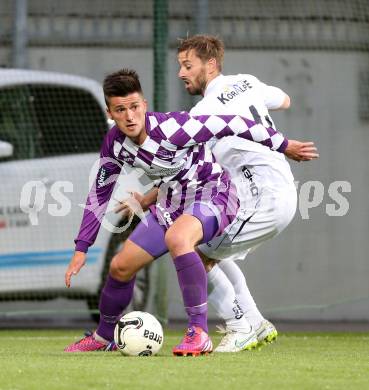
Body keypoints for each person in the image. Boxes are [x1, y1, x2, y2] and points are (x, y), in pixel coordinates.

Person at [63, 68, 315, 355]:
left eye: (134, 107)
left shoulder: (175, 128)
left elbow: (234, 123)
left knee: (180, 240)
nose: (130, 116)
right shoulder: (115, 143)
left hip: (215, 194)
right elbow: (99, 193)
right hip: (171, 203)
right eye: (121, 110)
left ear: (144, 105)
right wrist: (82, 248)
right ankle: (104, 336)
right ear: (110, 112)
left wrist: (284, 145)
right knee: (120, 266)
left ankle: (199, 332)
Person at [175, 34, 318, 352]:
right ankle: (254, 322)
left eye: (188, 65)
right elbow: (284, 100)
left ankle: (242, 326)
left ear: (210, 65)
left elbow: (178, 148)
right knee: (200, 246)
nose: (182, 73)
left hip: (262, 198)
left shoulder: (204, 111)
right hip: (275, 190)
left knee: (188, 252)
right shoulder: (246, 81)